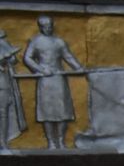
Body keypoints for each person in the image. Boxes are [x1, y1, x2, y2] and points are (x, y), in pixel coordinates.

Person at [23, 16, 83, 149]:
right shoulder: (36, 41)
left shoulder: (59, 41)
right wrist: (41, 69)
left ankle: (61, 140)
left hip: (59, 78)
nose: (48, 28)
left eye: (50, 25)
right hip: (45, 80)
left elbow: (68, 56)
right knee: (47, 111)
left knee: (62, 110)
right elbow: (27, 58)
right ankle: (51, 141)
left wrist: (78, 68)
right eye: (45, 26)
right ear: (40, 27)